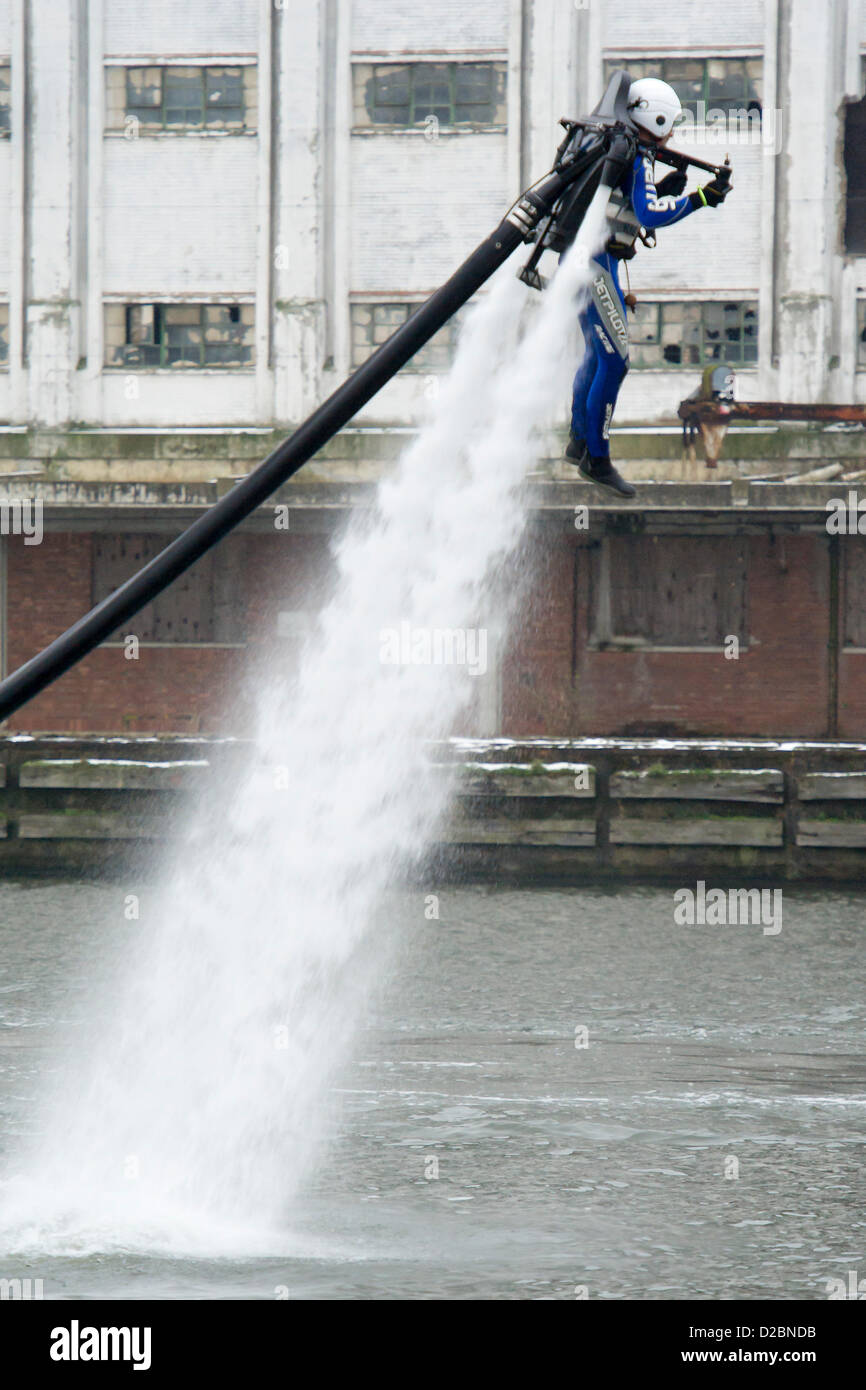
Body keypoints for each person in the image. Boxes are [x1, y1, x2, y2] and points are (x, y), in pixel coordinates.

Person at [566, 77, 733, 497]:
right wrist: (701, 197)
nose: (672, 133)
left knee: (595, 356)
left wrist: (663, 189)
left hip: (581, 261)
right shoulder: (633, 154)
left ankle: (579, 442)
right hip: (596, 265)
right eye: (669, 124)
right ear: (654, 119)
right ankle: (598, 460)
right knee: (616, 362)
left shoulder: (614, 146)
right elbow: (650, 215)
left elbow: (621, 207)